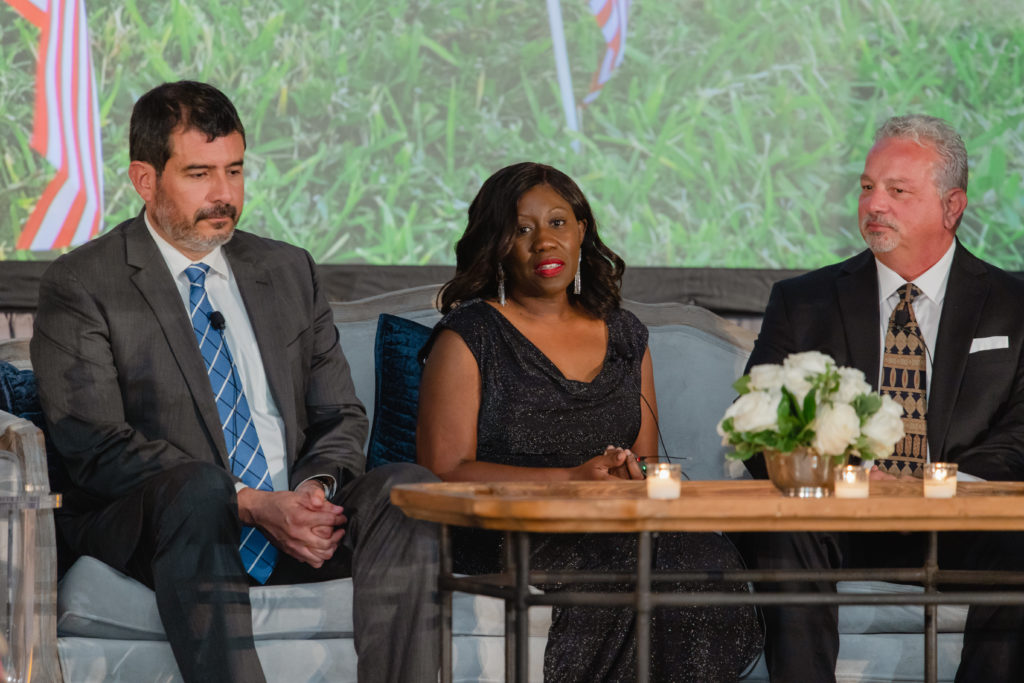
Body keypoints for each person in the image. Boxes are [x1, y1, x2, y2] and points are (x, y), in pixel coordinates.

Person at [30, 81, 439, 683]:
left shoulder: (286, 268)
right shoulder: (85, 283)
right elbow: (93, 445)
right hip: (170, 528)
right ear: (145, 180)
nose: (224, 195)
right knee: (198, 489)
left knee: (407, 489)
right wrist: (249, 504)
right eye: (199, 173)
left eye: (235, 170)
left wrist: (313, 496)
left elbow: (340, 416)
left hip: (297, 517)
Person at [417, 161, 762, 682]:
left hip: (616, 521)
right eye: (521, 228)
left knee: (701, 555)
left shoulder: (626, 334)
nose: (543, 243)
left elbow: (647, 462)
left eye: (557, 223)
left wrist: (632, 476)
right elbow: (442, 469)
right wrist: (571, 482)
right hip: (512, 528)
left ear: (582, 230)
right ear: (497, 242)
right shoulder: (469, 335)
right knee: (638, 562)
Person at [736, 114, 1024, 682]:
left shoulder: (1013, 304)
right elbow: (758, 428)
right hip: (839, 520)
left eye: (897, 190)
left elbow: (1022, 431)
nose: (874, 204)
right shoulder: (804, 301)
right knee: (785, 530)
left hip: (963, 521)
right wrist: (842, 477)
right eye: (868, 187)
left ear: (952, 205)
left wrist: (929, 488)